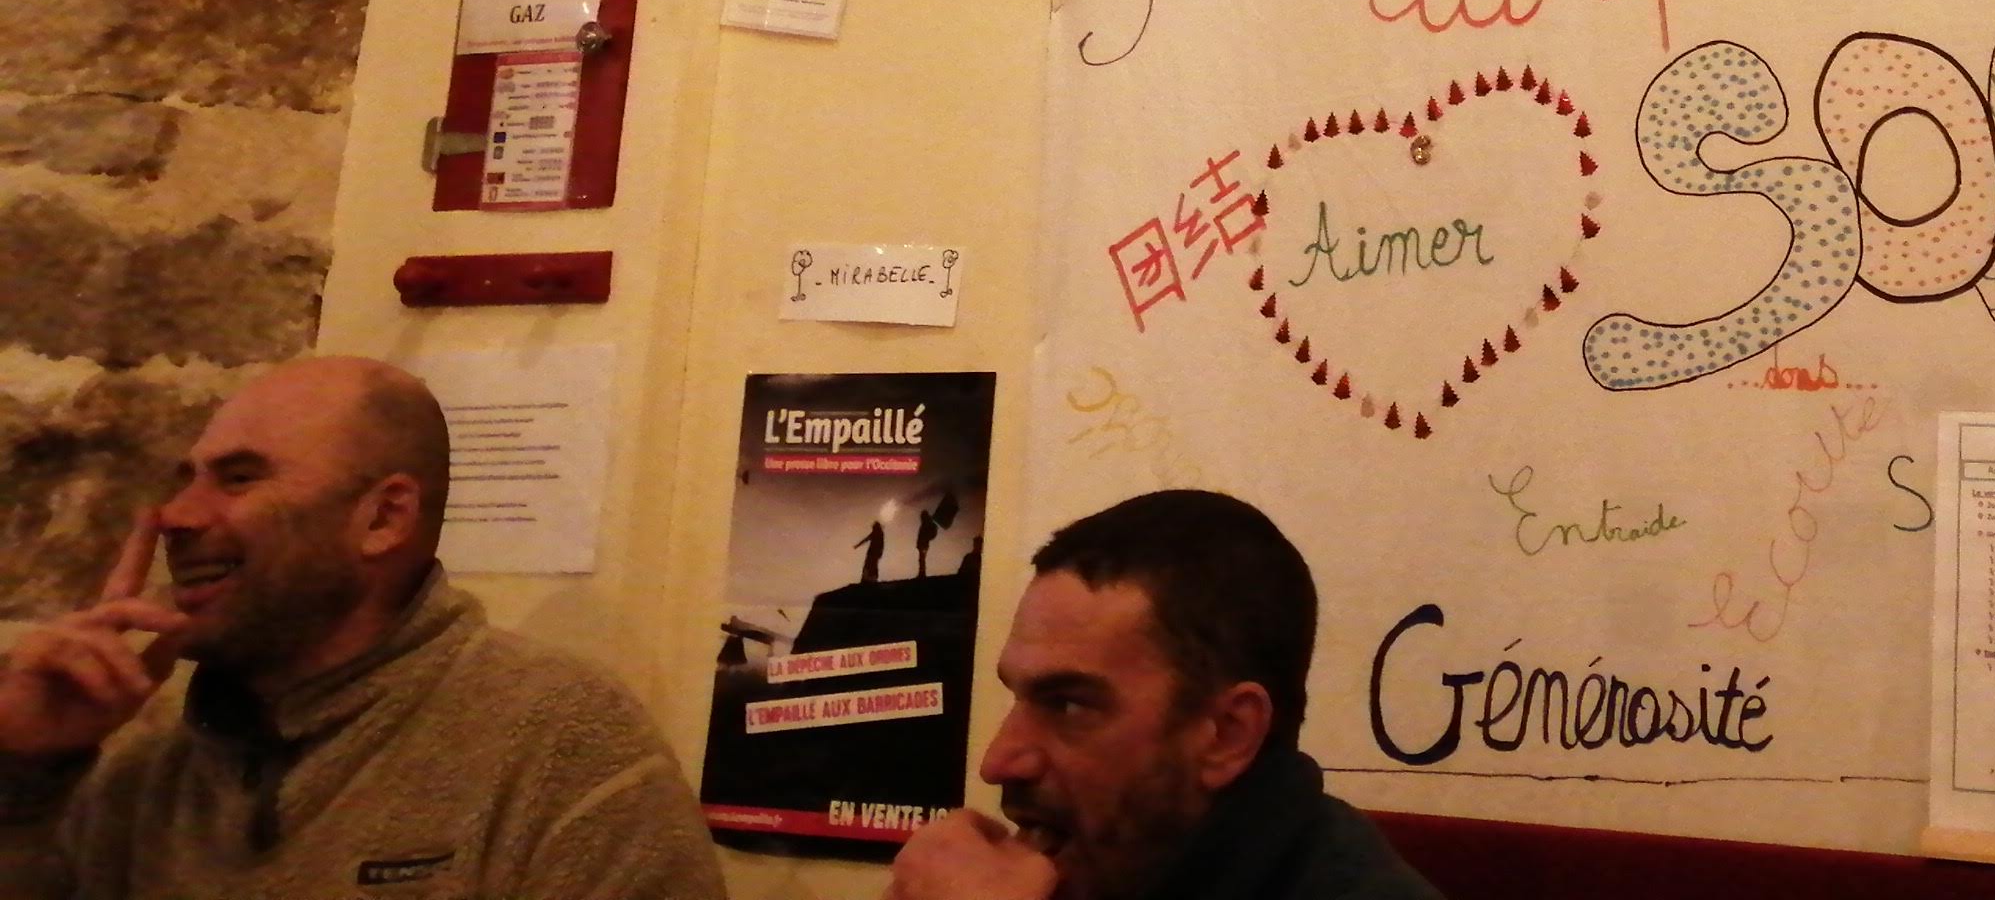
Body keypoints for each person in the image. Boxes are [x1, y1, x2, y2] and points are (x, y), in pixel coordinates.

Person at [0, 353, 723, 900]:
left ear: (383, 518)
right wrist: (23, 774)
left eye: (240, 478)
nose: (177, 516)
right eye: (186, 478)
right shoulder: (142, 781)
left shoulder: (560, 747)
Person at [889, 489, 1439, 900]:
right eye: (1019, 698)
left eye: (1069, 704)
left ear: (1227, 735)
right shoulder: (1111, 869)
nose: (999, 761)